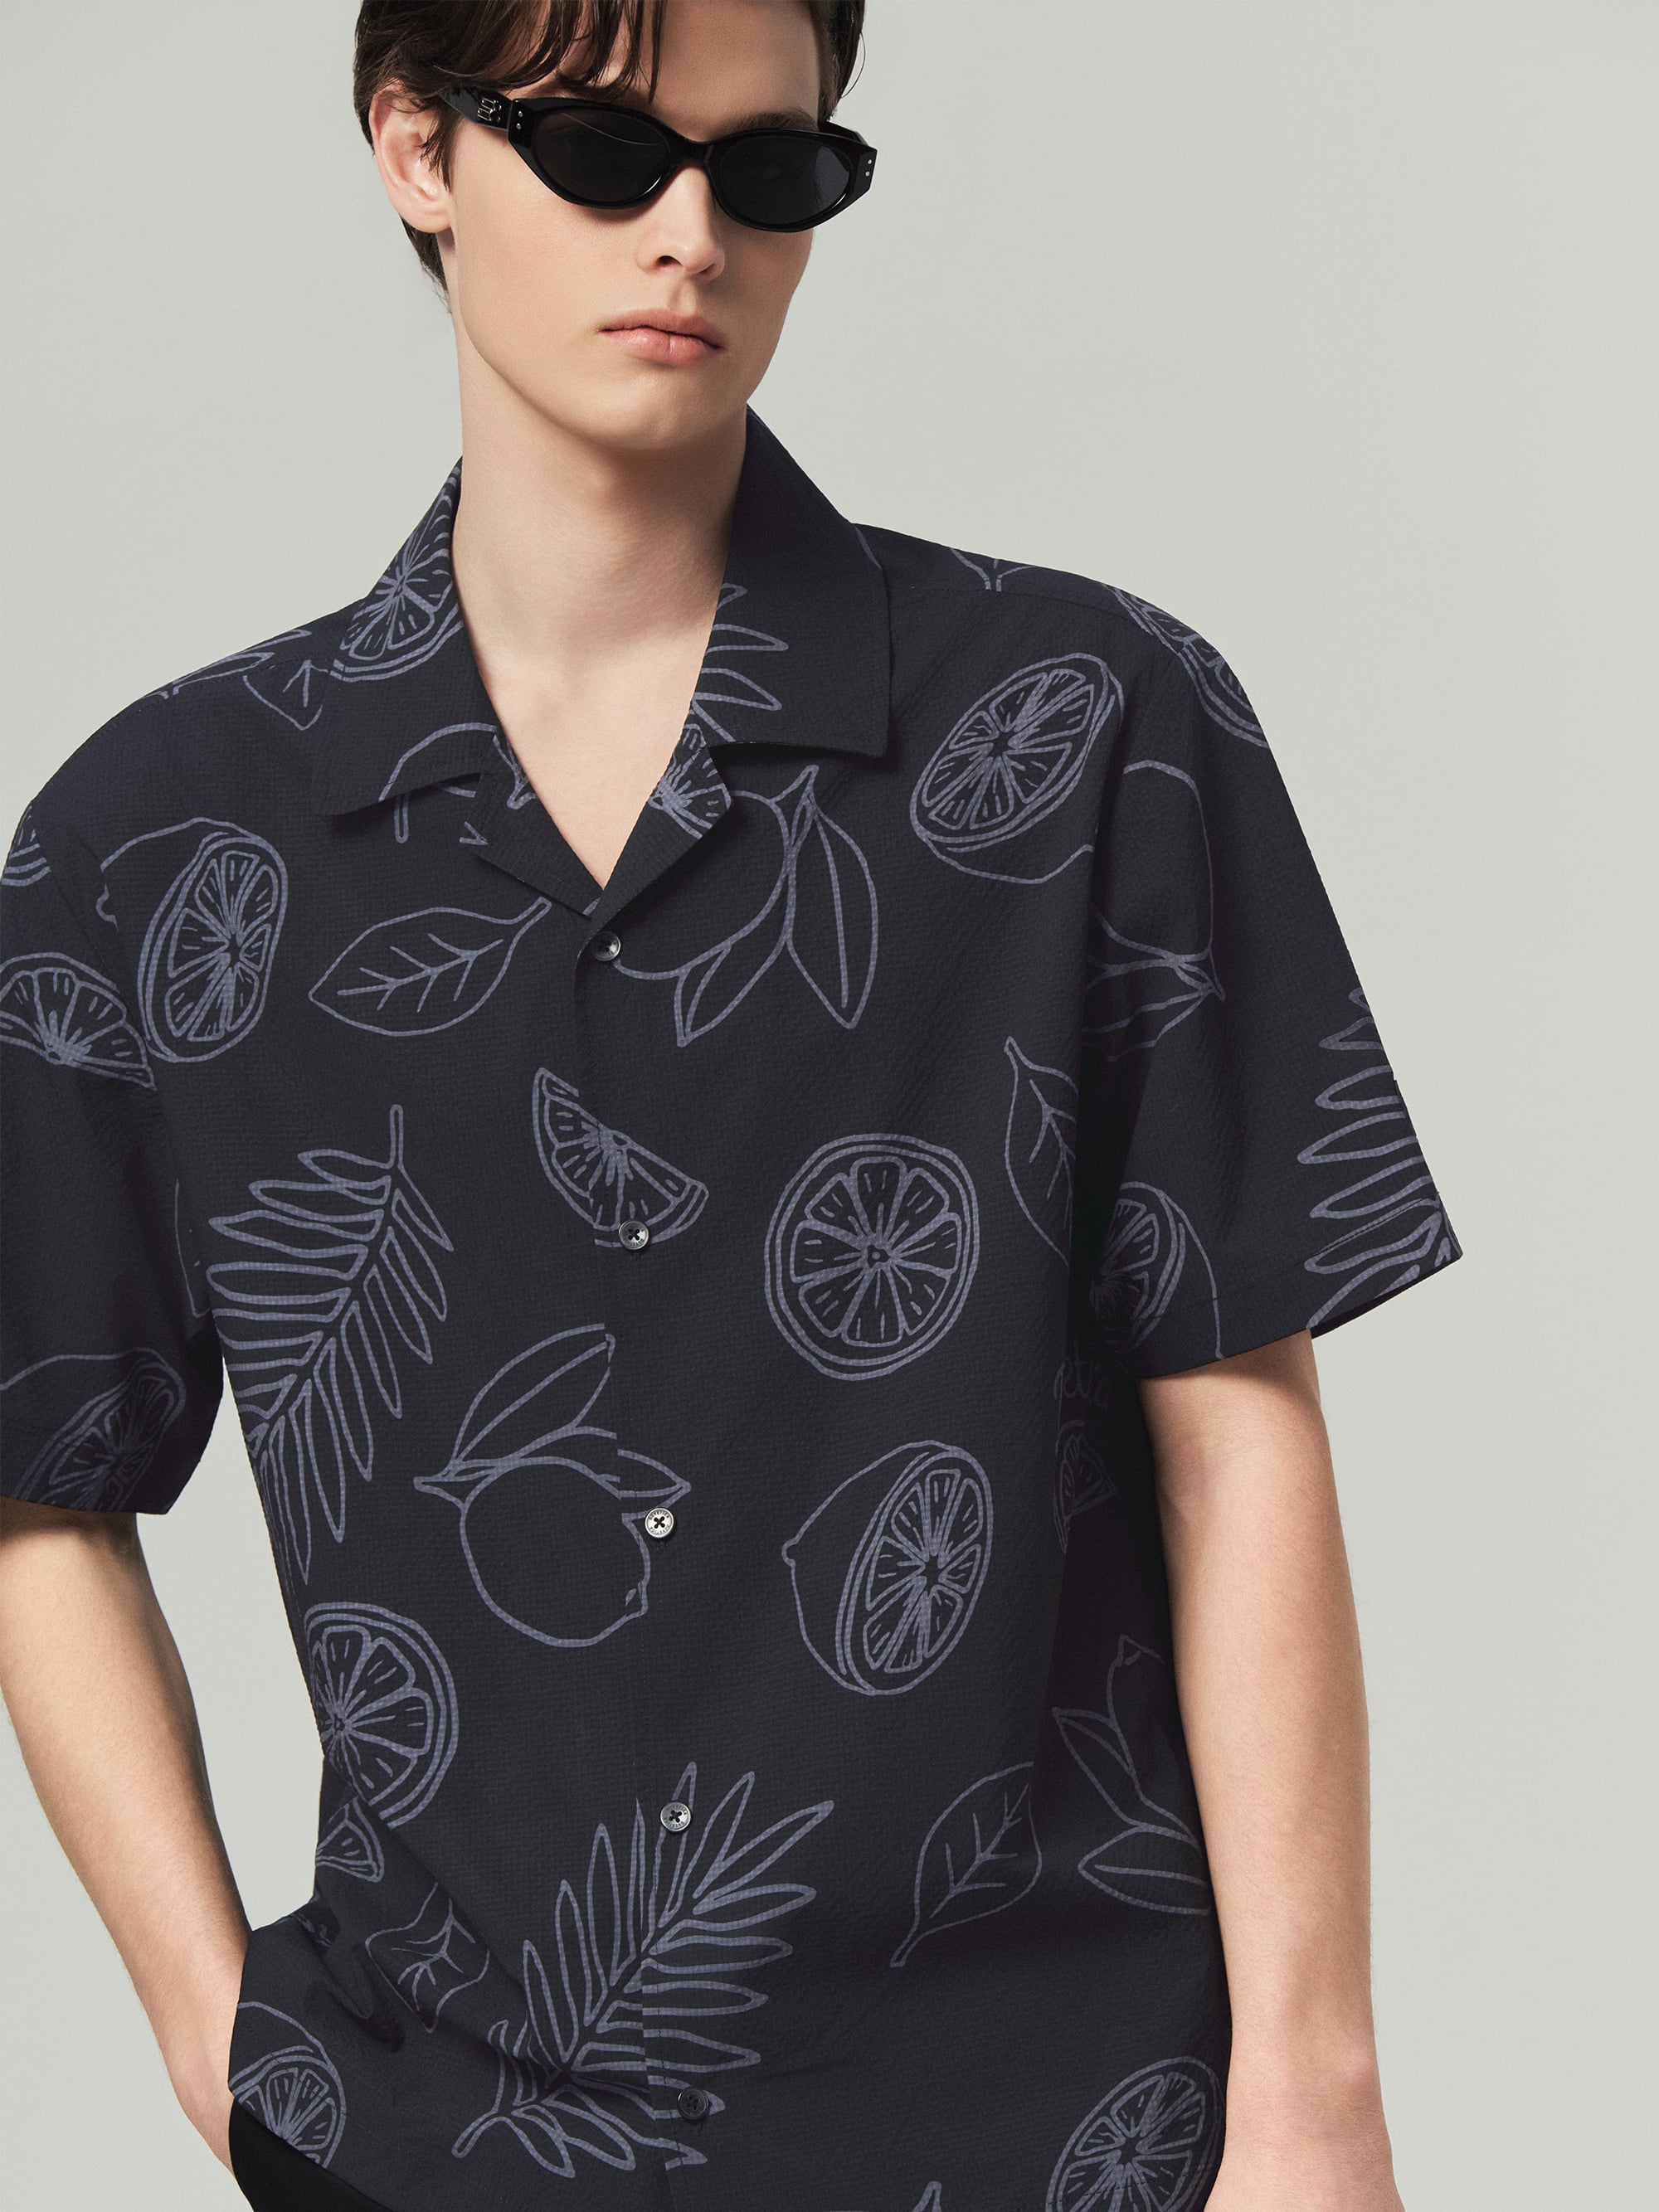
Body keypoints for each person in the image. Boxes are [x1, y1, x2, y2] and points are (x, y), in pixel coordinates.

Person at [0, 2, 1462, 2207]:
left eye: (771, 170)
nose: (692, 233)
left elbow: (1238, 1419)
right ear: (415, 148)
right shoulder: (154, 843)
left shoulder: (1092, 729)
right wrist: (220, 2051)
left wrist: (1316, 2097)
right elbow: (41, 1475)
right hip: (440, 2144)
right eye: (605, 151)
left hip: (1077, 2127)